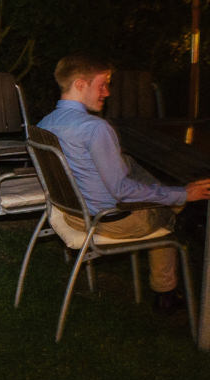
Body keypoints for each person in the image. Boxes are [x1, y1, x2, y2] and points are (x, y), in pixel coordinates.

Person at [38, 54, 210, 313]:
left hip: (73, 212)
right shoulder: (96, 128)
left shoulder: (44, 124)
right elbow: (123, 192)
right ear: (81, 85)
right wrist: (182, 194)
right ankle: (166, 292)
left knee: (131, 165)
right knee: (172, 212)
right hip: (110, 219)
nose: (107, 92)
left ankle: (180, 204)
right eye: (102, 84)